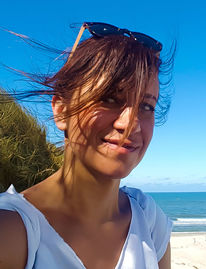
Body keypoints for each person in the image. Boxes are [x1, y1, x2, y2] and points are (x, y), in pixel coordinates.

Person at [0, 22, 174, 269]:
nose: (131, 124)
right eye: (109, 98)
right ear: (61, 110)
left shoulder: (149, 220)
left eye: (146, 106)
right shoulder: (14, 232)